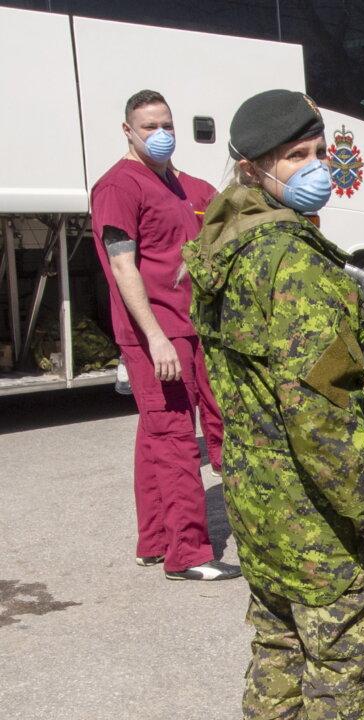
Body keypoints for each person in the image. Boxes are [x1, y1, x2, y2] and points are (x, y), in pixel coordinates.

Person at [183, 89, 364, 719]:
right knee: (347, 666)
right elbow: (325, 419)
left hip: (257, 500)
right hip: (314, 514)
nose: (315, 168)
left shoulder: (223, 244)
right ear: (254, 168)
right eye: (296, 156)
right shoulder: (295, 265)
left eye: (318, 151)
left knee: (279, 647)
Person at [90, 89, 238, 582]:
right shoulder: (118, 187)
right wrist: (154, 336)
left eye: (167, 125)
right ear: (128, 131)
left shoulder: (187, 188)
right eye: (150, 127)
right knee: (175, 436)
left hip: (193, 327)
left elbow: (228, 215)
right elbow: (121, 263)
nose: (162, 135)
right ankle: (188, 554)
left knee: (156, 433)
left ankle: (154, 541)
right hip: (157, 333)